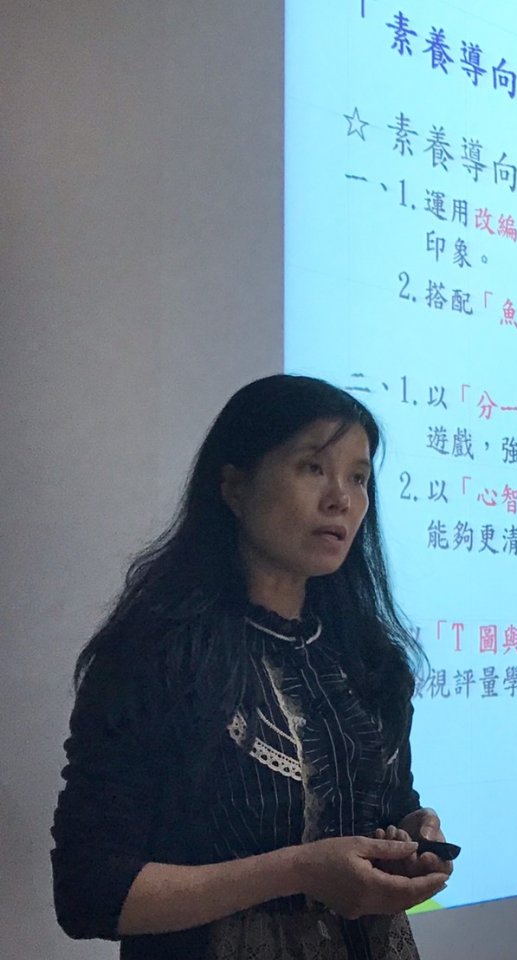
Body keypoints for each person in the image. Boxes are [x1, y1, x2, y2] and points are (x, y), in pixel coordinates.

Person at [51, 374, 452, 959]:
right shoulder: (156, 655)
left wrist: (413, 835)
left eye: (359, 477)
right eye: (313, 467)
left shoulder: (370, 659)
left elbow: (390, 803)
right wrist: (300, 871)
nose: (341, 498)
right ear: (235, 487)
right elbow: (89, 892)